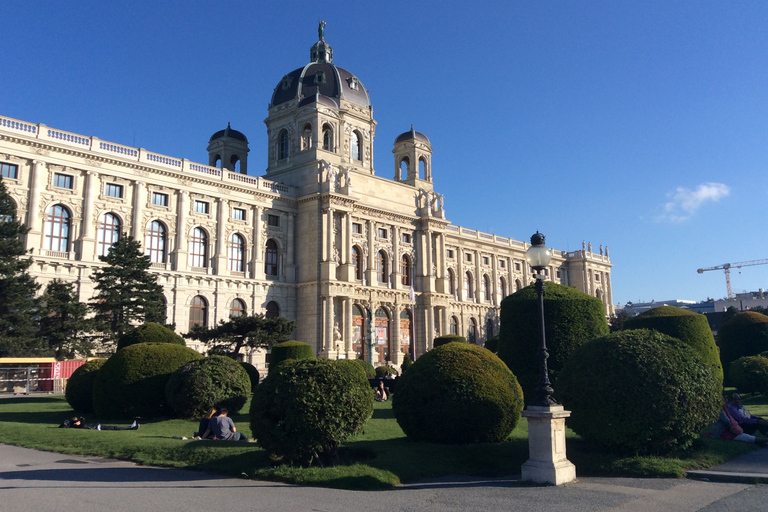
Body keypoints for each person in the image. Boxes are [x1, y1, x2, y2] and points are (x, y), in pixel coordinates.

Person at [59, 416, 139, 431]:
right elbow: (83, 419)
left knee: (114, 427)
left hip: (97, 425)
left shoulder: (79, 425)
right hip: (98, 427)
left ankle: (130, 427)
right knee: (114, 427)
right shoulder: (79, 426)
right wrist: (79, 420)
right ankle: (130, 428)